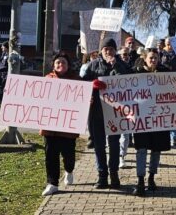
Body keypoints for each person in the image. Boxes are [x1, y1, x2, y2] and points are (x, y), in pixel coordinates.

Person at [81, 37, 133, 189]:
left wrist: (115, 67)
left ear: (115, 51)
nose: (108, 52)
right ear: (101, 51)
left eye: (111, 49)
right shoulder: (93, 65)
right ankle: (102, 175)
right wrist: (92, 85)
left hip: (115, 113)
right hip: (97, 112)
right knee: (99, 145)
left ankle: (114, 173)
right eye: (105, 49)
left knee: (114, 144)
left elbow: (129, 81)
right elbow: (82, 84)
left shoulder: (122, 65)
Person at [131, 48, 172, 196]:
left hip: (159, 118)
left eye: (155, 58)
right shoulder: (136, 73)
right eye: (151, 58)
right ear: (144, 58)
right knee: (141, 150)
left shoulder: (166, 73)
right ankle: (140, 181)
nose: (153, 60)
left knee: (156, 150)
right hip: (141, 119)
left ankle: (151, 178)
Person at [40, 52, 79, 196]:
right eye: (58, 62)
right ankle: (52, 183)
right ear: (53, 65)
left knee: (68, 155)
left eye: (63, 62)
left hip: (68, 127)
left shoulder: (76, 80)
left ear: (68, 65)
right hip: (50, 127)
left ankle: (69, 170)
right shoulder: (47, 79)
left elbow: (82, 99)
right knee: (51, 155)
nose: (60, 65)